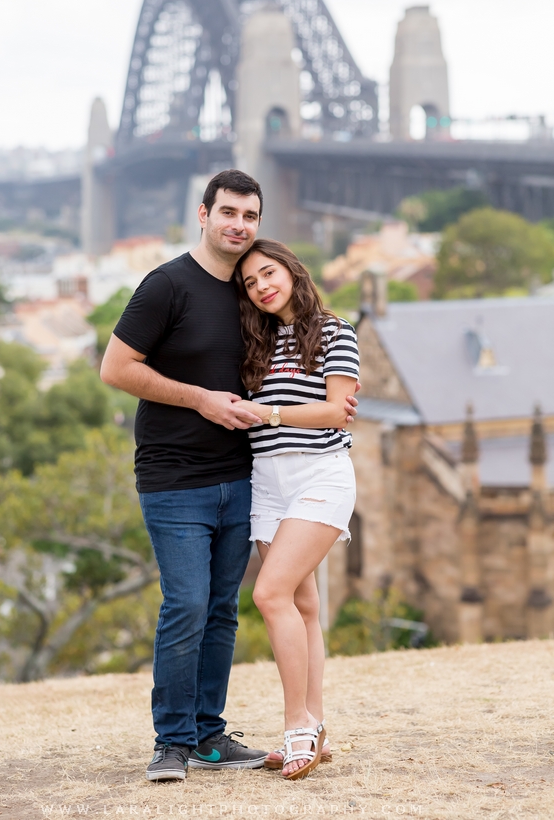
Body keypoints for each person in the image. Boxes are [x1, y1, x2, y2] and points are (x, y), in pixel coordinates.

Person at [100, 170, 359, 782]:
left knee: (224, 608)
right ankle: (173, 741)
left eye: (250, 216)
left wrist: (320, 409)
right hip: (175, 477)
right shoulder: (165, 286)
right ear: (203, 213)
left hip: (245, 477)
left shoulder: (257, 306)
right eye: (228, 213)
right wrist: (200, 400)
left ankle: (212, 736)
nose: (239, 226)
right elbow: (114, 368)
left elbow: (321, 386)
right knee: (188, 605)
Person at [233, 239, 360, 780]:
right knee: (302, 605)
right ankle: (317, 722)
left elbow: (337, 412)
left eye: (268, 272)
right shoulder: (256, 343)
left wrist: (269, 412)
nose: (262, 286)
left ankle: (296, 728)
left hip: (319, 477)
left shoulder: (335, 330)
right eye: (250, 283)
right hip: (268, 482)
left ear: (291, 270)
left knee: (269, 593)